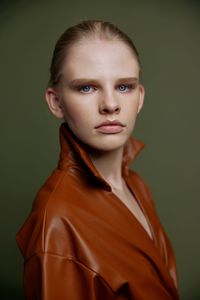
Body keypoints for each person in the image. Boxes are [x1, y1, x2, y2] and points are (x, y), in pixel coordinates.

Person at [16, 20, 180, 300]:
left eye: (124, 87)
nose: (110, 104)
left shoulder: (136, 185)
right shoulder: (55, 221)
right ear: (56, 102)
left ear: (139, 97)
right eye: (87, 88)